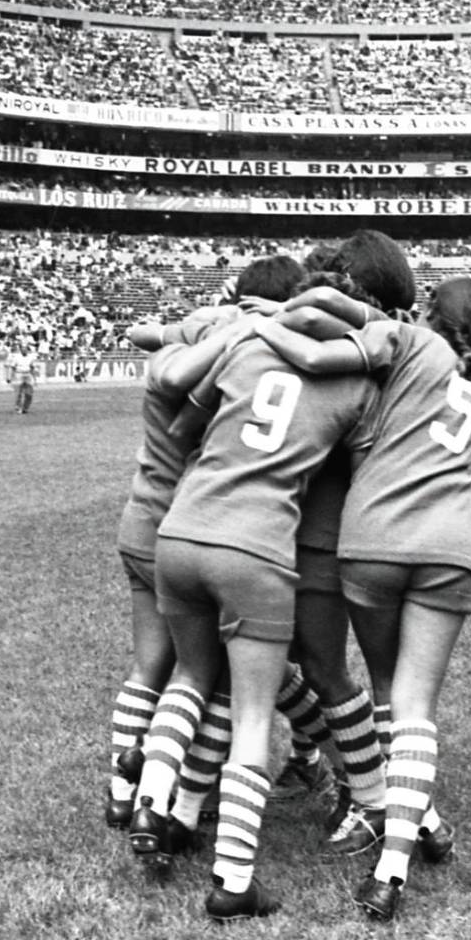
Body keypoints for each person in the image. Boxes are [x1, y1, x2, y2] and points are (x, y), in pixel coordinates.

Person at [135, 272, 383, 923]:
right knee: (250, 715)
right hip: (256, 550)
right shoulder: (355, 383)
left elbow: (185, 422)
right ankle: (234, 879)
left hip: (180, 534)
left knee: (192, 675)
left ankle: (157, 804)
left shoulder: (246, 348)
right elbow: (367, 468)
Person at [247, 277, 471, 923]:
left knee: (386, 690)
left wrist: (267, 314)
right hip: (452, 542)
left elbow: (334, 314)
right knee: (416, 707)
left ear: (430, 310)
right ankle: (403, 856)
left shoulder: (406, 339)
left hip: (375, 537)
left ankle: (406, 824)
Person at [105, 256, 311, 845]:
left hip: (143, 521)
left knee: (152, 669)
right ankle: (180, 799)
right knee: (219, 676)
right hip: (205, 525)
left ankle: (128, 793)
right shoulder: (245, 359)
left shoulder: (199, 334)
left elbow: (145, 338)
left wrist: (205, 323)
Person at [8, 346, 38, 414]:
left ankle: (25, 408)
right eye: (22, 350)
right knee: (18, 393)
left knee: (29, 394)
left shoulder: (31, 357)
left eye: (25, 350)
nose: (24, 351)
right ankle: (18, 407)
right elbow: (12, 367)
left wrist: (35, 379)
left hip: (28, 374)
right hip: (19, 374)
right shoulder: (16, 357)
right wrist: (10, 377)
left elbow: (32, 368)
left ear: (27, 350)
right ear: (20, 350)